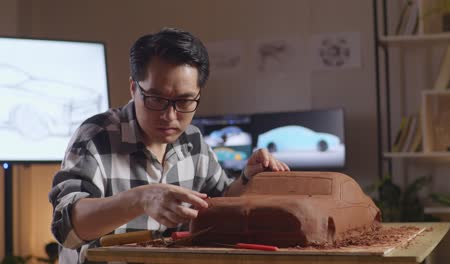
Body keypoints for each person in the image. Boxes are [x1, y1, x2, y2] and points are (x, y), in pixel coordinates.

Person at [49, 27, 289, 263]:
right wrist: (141, 199)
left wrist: (247, 176)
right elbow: (67, 229)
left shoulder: (192, 141)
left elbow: (220, 201)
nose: (170, 116)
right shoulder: (96, 136)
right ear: (134, 88)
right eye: (156, 99)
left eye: (184, 101)